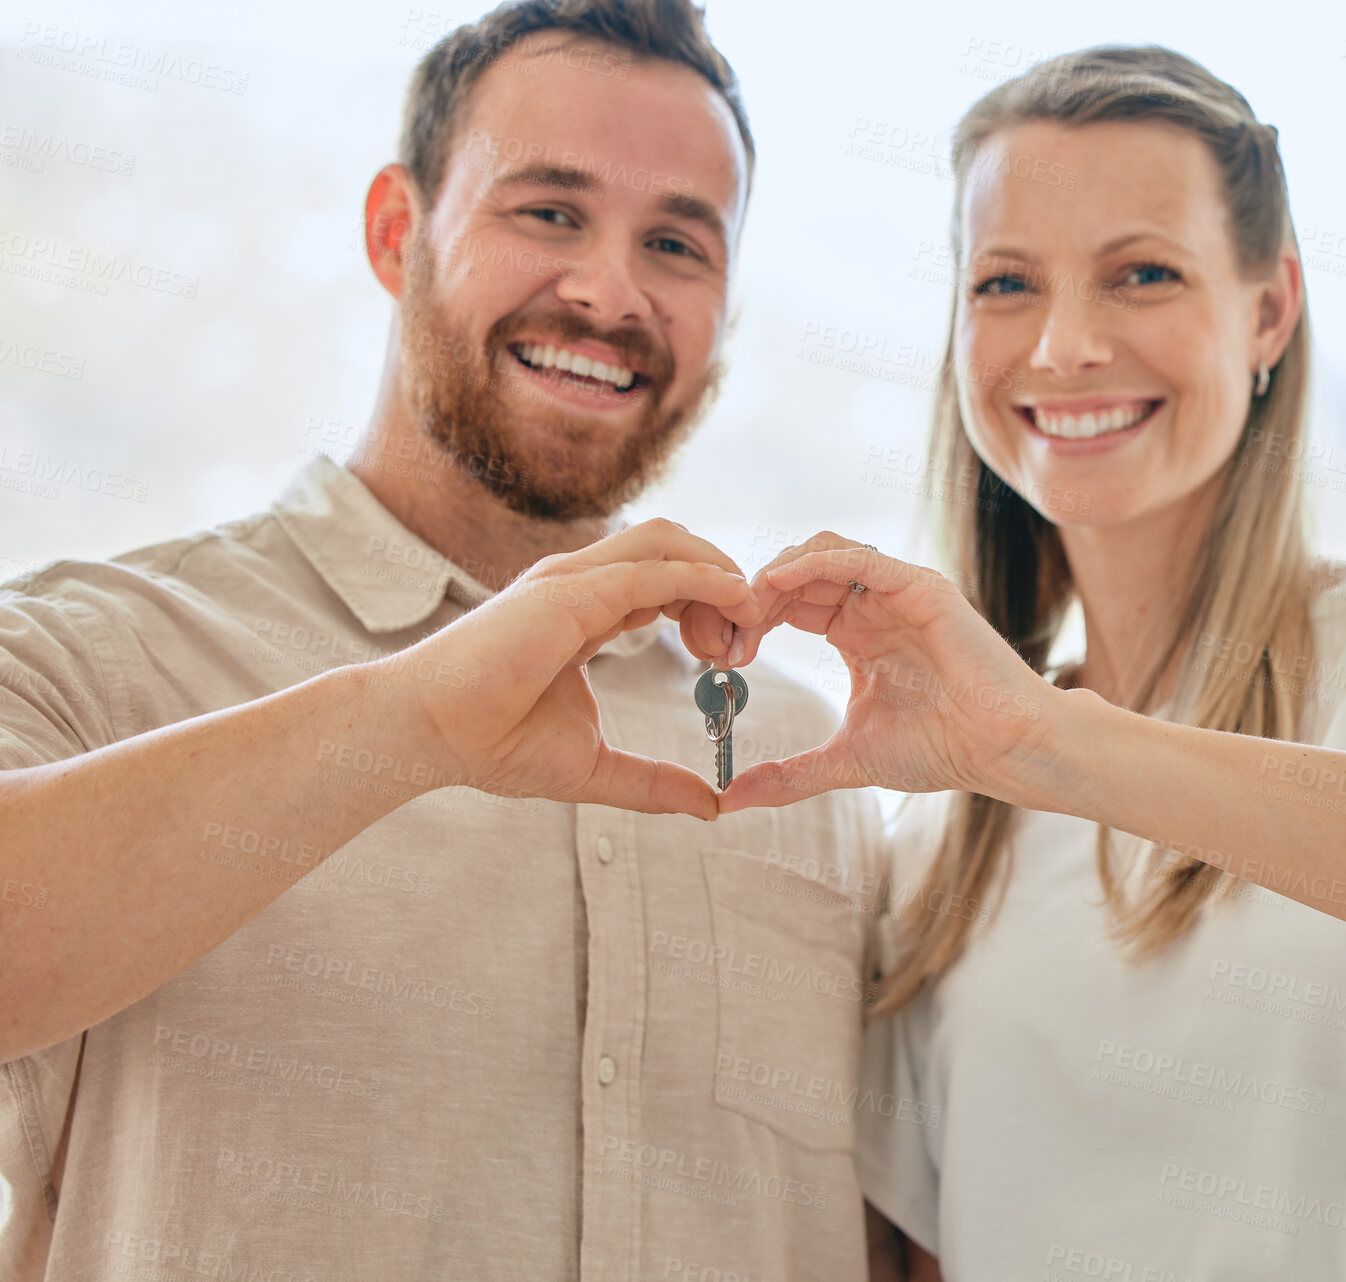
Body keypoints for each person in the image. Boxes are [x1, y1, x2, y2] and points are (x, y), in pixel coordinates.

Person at [0, 3, 883, 1279]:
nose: (610, 291)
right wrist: (406, 723)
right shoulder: (97, 656)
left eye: (678, 243)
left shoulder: (808, 753)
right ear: (396, 230)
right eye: (549, 211)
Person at [718, 46, 1346, 1280]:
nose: (1064, 346)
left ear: (1270, 307)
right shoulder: (938, 848)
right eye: (1006, 283)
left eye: (1143, 273)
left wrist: (1052, 742)